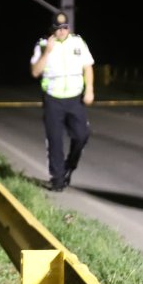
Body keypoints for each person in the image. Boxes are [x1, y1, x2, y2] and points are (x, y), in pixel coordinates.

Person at [30, 11, 95, 192]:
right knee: (55, 140)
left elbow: (88, 67)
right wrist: (47, 52)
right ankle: (57, 179)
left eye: (65, 28)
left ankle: (69, 166)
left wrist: (89, 89)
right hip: (53, 100)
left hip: (75, 99)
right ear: (52, 29)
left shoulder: (78, 43)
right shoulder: (42, 45)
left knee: (82, 135)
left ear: (69, 27)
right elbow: (35, 72)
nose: (61, 32)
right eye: (58, 29)